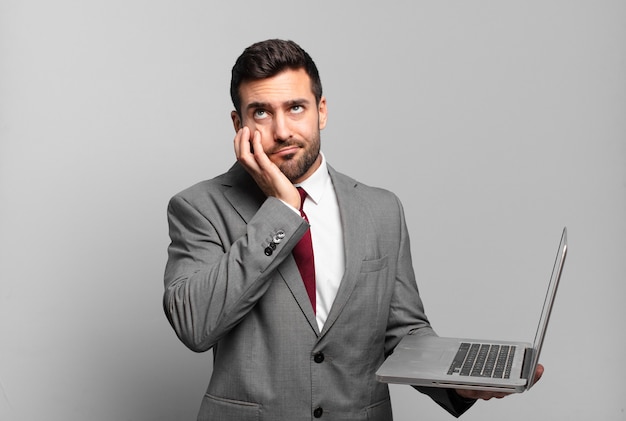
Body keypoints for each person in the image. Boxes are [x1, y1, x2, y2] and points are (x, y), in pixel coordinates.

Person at [163, 39, 544, 420]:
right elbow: (195, 325)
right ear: (239, 124)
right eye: (261, 112)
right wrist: (281, 209)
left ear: (321, 111)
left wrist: (455, 378)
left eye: (296, 108)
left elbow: (404, 333)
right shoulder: (199, 207)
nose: (281, 131)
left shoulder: (381, 209)